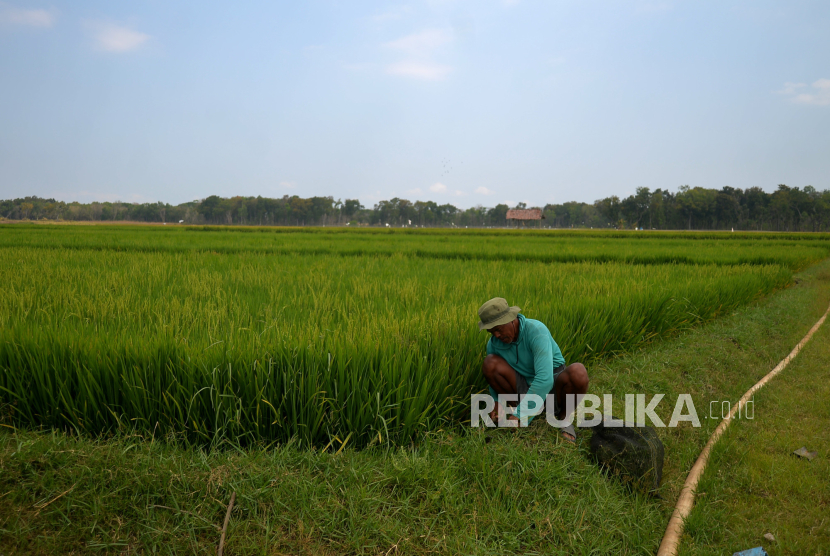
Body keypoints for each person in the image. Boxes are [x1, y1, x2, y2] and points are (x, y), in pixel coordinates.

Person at [478, 297, 589, 442]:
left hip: (553, 386)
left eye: (498, 329)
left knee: (578, 372)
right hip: (525, 386)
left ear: (510, 319)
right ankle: (522, 410)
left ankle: (564, 418)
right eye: (492, 332)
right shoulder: (494, 344)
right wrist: (496, 401)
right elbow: (493, 378)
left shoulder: (536, 331)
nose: (496, 336)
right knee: (490, 363)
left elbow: (545, 379)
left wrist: (521, 415)